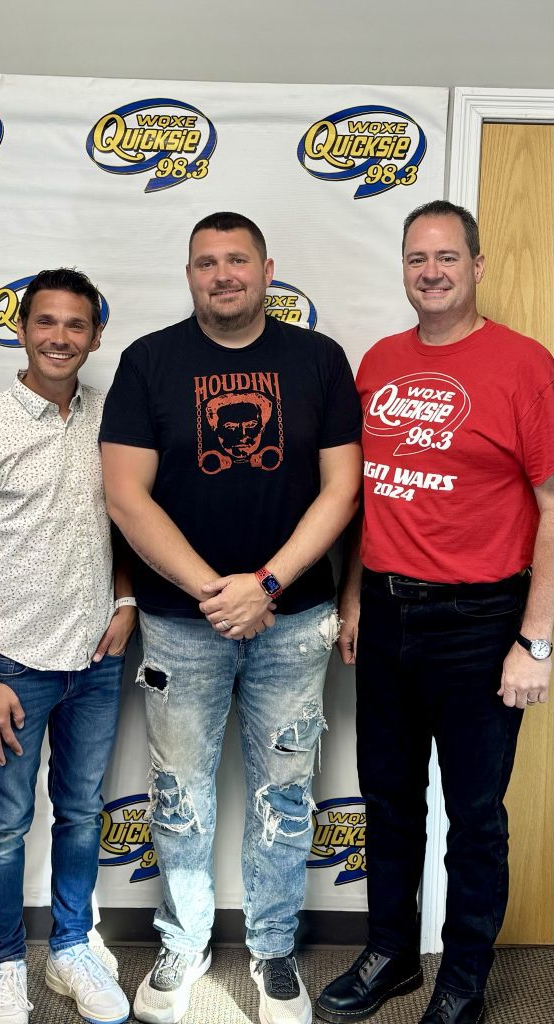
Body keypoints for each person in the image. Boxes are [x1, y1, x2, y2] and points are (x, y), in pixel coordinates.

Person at [100, 212, 362, 1024]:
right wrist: (219, 591)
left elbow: (342, 489)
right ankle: (184, 943)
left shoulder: (318, 360)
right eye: (207, 262)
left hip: (295, 621)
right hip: (182, 624)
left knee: (286, 793)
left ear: (267, 270)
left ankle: (274, 949)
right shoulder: (149, 362)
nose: (223, 275)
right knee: (178, 792)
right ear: (189, 274)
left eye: (237, 260)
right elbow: (125, 496)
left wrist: (268, 584)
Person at [316, 200, 554, 1024]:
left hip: (481, 624)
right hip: (386, 614)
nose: (431, 271)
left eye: (448, 257)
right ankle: (390, 954)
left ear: (476, 266)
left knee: (475, 816)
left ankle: (462, 980)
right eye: (417, 258)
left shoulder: (524, 365)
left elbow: (553, 506)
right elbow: (365, 496)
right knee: (387, 798)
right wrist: (353, 595)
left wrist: (536, 641)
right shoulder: (380, 361)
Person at [0, 268, 136, 1024]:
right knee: (6, 823)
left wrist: (125, 599)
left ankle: (71, 948)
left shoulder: (113, 421)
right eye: (45, 322)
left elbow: (129, 520)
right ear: (21, 330)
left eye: (76, 324)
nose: (60, 337)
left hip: (96, 661)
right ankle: (6, 963)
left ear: (96, 335)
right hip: (13, 665)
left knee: (81, 813)